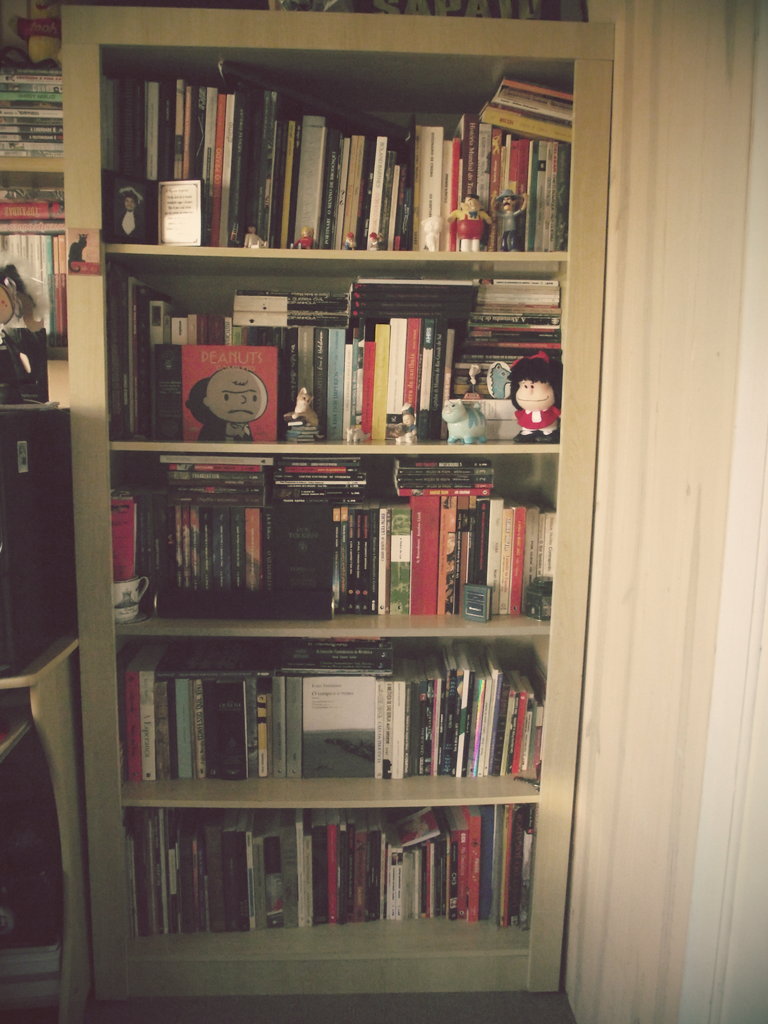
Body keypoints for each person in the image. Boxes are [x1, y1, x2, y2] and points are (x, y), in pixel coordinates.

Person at [185, 364, 268, 441]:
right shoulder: (213, 425)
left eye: (254, 398)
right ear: (207, 401)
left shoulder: (244, 425)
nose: (242, 401)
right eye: (227, 397)